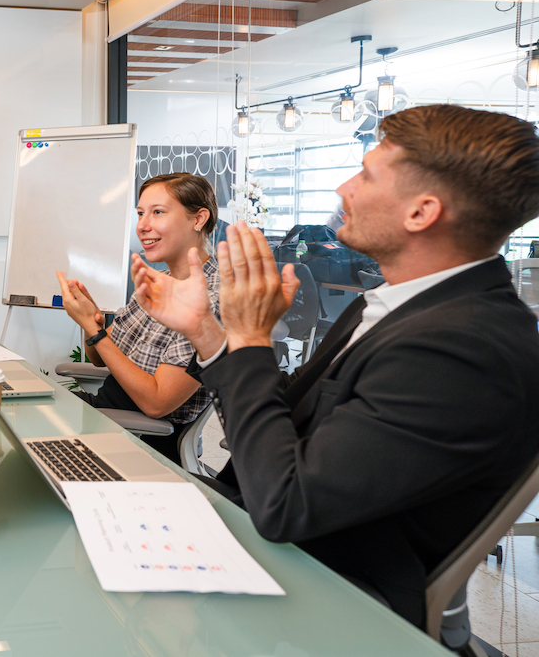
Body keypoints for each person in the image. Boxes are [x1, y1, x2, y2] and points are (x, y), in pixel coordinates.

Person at [131, 105, 539, 627]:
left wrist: (253, 338)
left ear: (421, 212)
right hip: (266, 541)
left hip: (331, 598)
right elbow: (287, 423)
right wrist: (208, 333)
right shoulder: (394, 306)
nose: (345, 188)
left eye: (366, 175)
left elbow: (287, 505)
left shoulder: (464, 349)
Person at [56, 172, 220, 462]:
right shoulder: (157, 282)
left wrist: (96, 333)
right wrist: (92, 318)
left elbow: (157, 404)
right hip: (105, 413)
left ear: (198, 219)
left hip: (138, 440)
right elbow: (99, 357)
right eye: (141, 214)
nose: (143, 226)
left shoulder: (213, 300)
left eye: (157, 213)